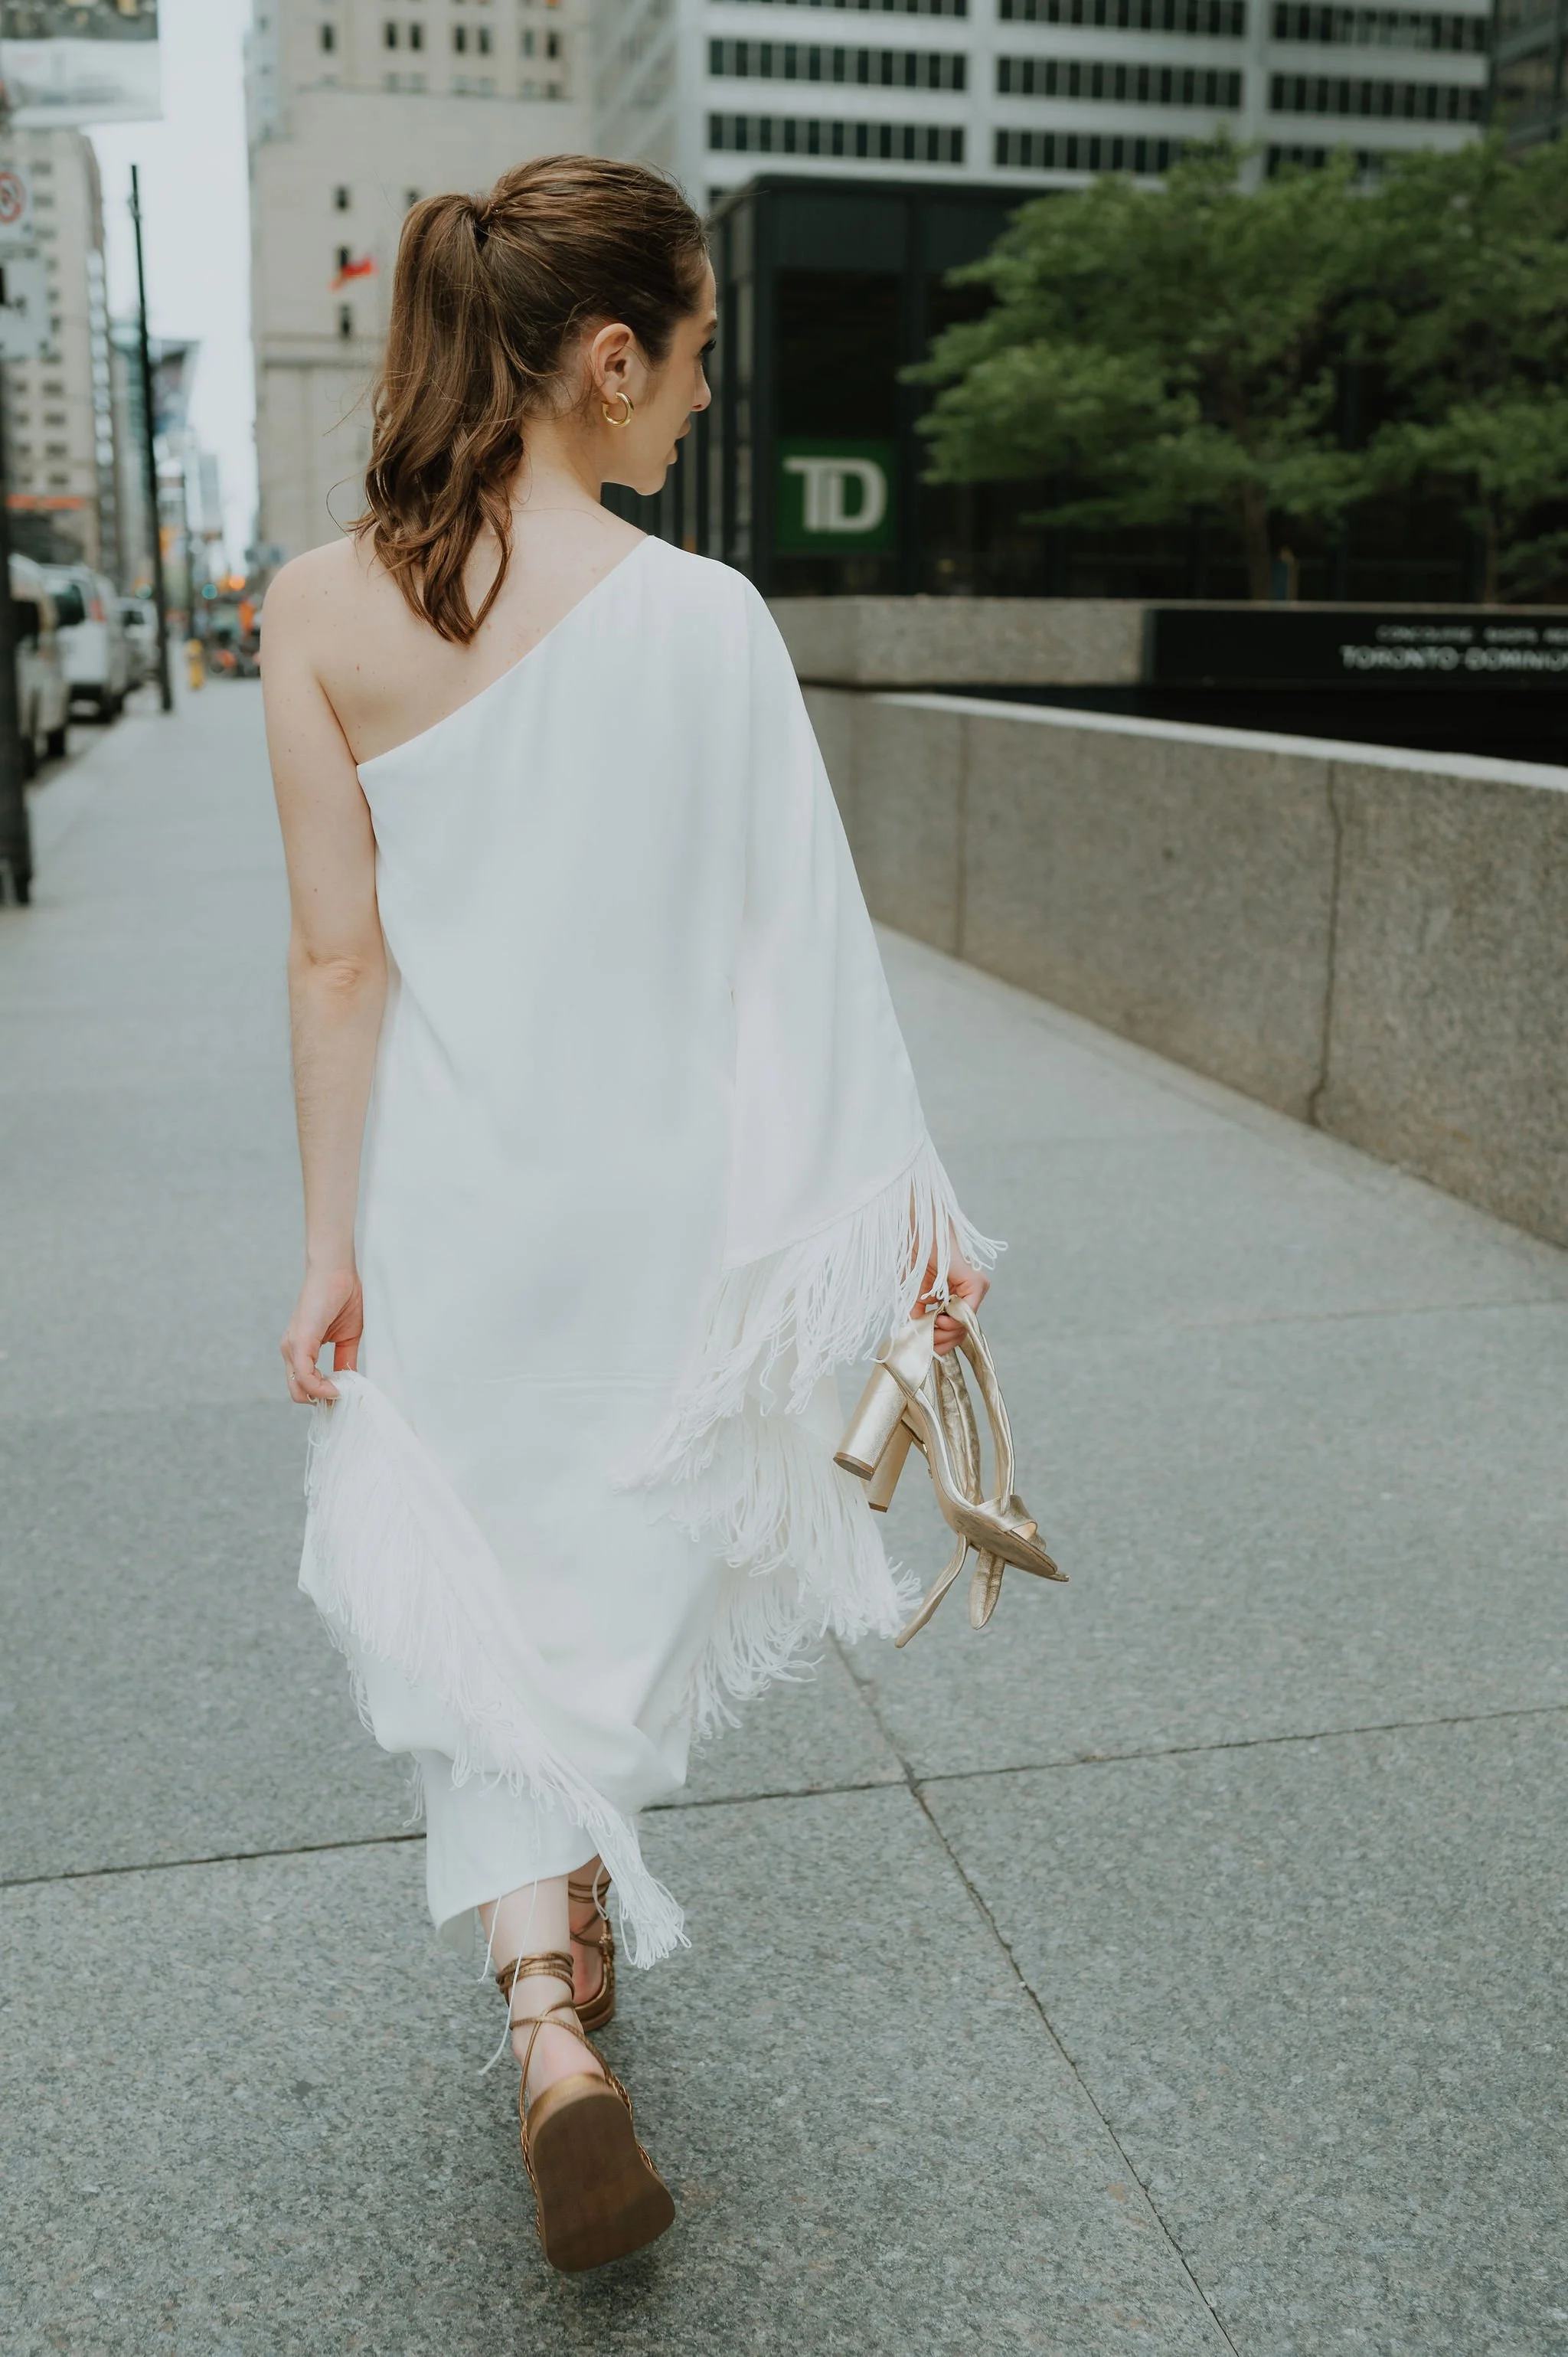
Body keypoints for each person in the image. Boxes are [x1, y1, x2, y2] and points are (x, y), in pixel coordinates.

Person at [262, 155, 994, 2275]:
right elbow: (801, 953)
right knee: (594, 1588)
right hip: (661, 1222)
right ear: (603, 359)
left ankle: (542, 2018)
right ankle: (574, 1960)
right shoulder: (707, 620)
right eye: (687, 361)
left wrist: (329, 1248)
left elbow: (336, 964)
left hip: (452, 1208)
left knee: (476, 1615)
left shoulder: (318, 615)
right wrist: (892, 1214)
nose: (695, 400)